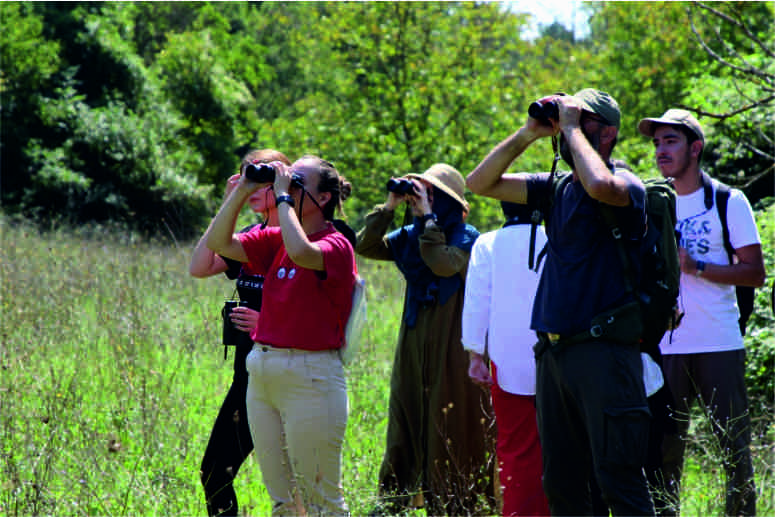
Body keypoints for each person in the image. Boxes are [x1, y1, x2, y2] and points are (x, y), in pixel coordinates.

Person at [467, 88, 656, 516]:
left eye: (583, 118)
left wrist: (570, 128)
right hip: (554, 355)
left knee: (618, 481)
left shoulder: (628, 186)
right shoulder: (555, 189)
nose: (569, 124)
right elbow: (479, 184)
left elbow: (601, 184)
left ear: (607, 134)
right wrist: (529, 133)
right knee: (563, 485)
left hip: (604, 353)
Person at [205, 155, 356, 516]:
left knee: (323, 502)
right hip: (263, 374)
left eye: (297, 181)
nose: (284, 184)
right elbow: (220, 244)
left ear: (322, 199)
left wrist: (283, 197)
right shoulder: (274, 241)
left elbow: (303, 252)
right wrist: (242, 190)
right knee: (284, 502)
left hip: (311, 378)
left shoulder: (336, 245)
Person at [638, 109, 765, 516]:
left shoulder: (729, 200)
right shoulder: (648, 202)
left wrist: (698, 268)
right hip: (666, 346)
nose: (661, 150)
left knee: (734, 451)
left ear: (695, 148)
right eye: (657, 142)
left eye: (670, 141)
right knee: (662, 453)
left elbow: (755, 273)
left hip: (719, 343)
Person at [355, 164, 496, 516]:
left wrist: (430, 220)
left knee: (450, 423)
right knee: (406, 415)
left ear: (448, 202)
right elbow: (366, 245)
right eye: (419, 193)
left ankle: (455, 504)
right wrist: (388, 207)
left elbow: (443, 265)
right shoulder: (410, 236)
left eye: (431, 194)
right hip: (414, 347)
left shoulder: (467, 237)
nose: (421, 200)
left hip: (453, 348)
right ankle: (395, 501)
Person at [189, 148, 293, 517]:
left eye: (261, 181)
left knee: (293, 484)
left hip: (289, 370)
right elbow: (200, 266)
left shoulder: (296, 239)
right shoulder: (249, 236)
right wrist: (229, 200)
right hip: (247, 375)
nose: (252, 187)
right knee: (215, 472)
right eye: (247, 177)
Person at [462, 200, 551, 517]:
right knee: (562, 446)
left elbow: (476, 302)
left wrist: (475, 355)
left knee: (515, 448)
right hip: (558, 358)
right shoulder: (556, 236)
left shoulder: (487, 243)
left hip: (506, 358)